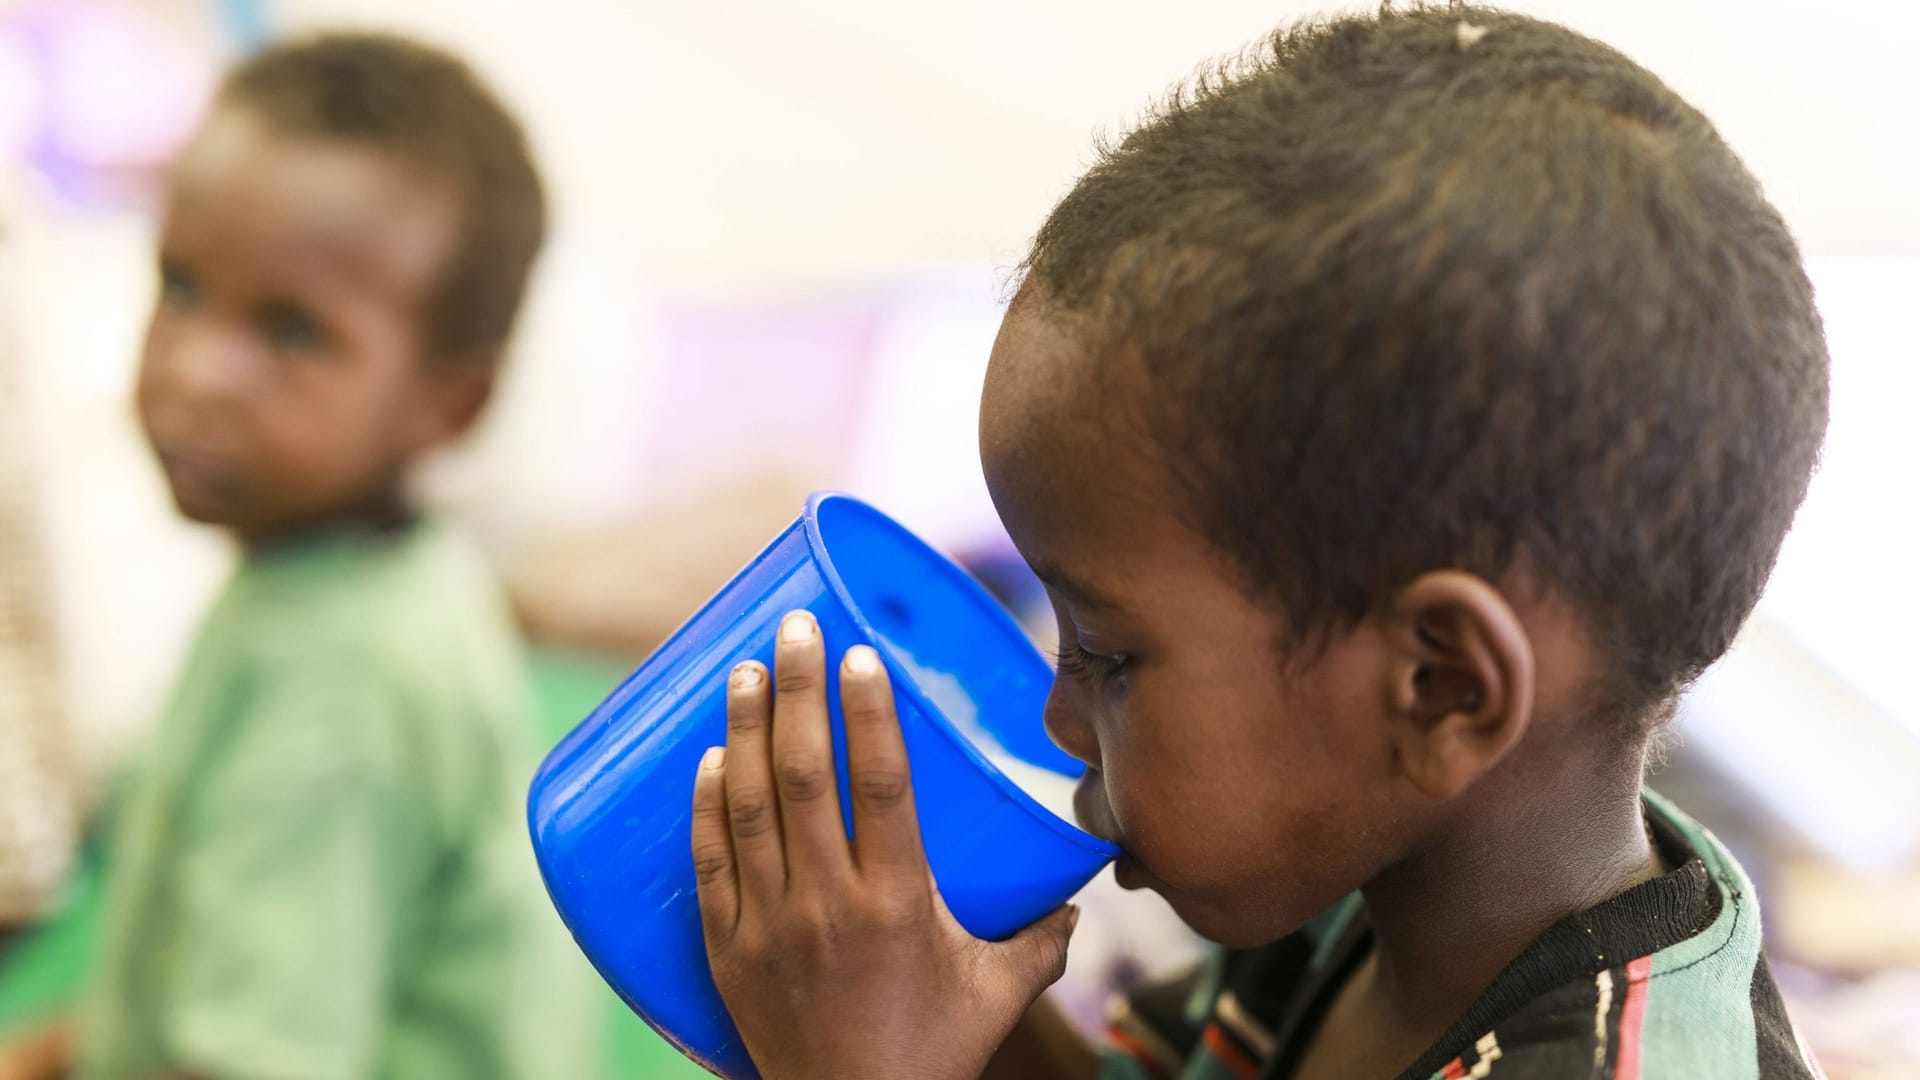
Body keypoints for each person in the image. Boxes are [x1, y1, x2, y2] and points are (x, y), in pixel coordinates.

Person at [681, 6, 1828, 1079]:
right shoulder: (1358, 888)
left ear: (1439, 687)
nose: (1057, 714)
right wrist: (920, 996)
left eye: (1113, 656)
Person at [0, 33, 593, 1080]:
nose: (196, 372)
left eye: (292, 333)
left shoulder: (340, 688)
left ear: (451, 403)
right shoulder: (339, 569)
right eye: (181, 287)